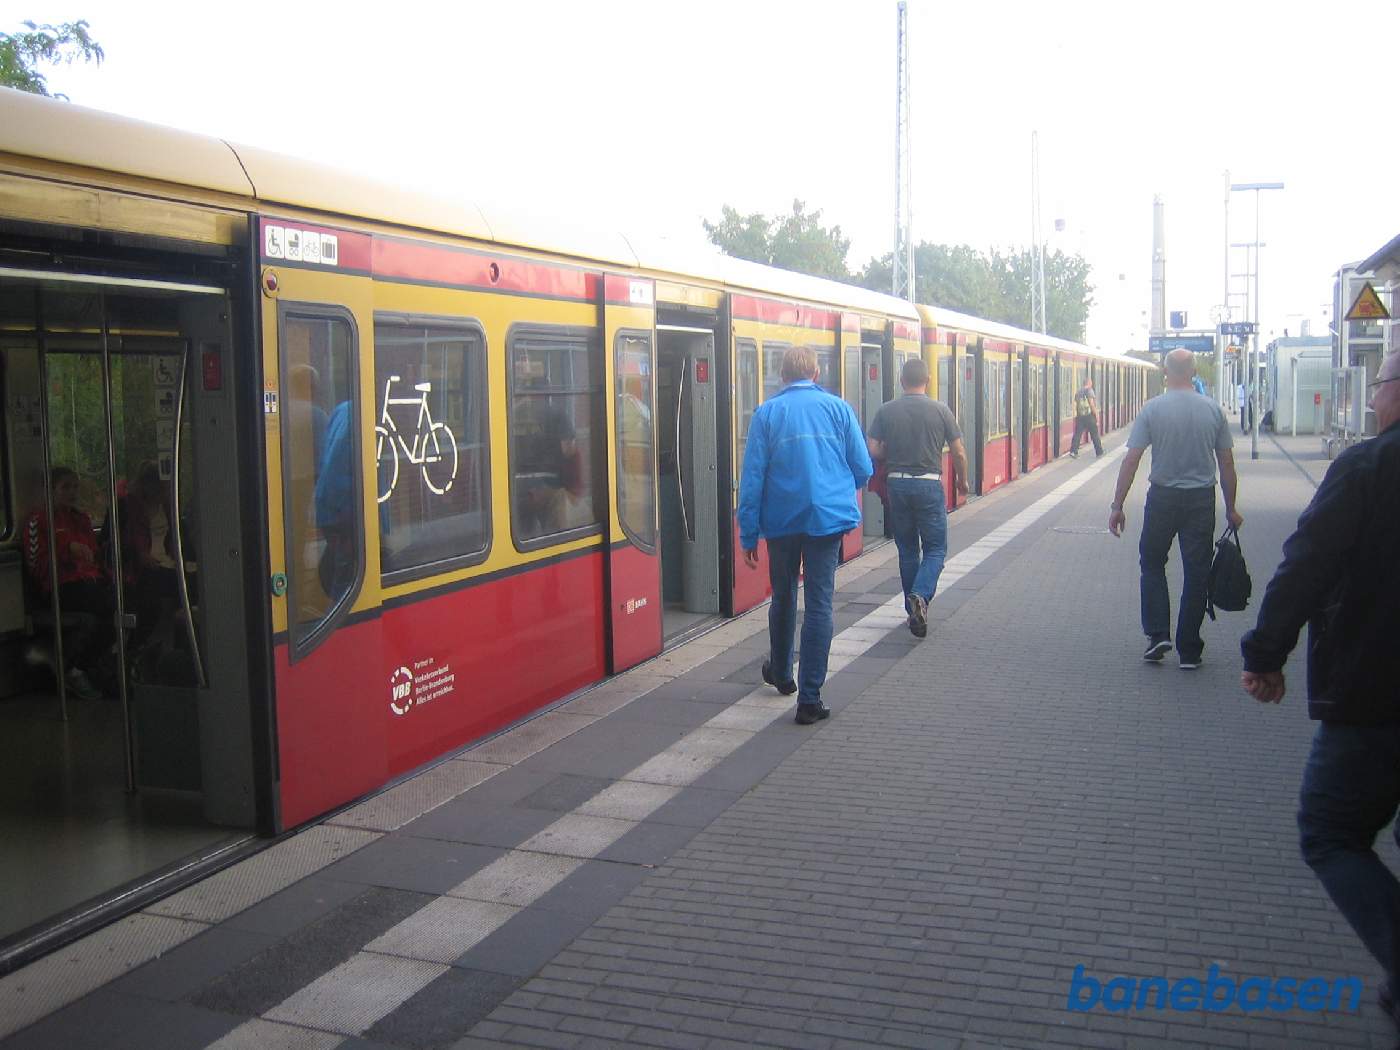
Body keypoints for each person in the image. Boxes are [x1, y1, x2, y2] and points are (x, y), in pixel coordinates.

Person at [1240, 350, 1400, 1039]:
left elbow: (1307, 563)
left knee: (1331, 831)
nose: (1371, 402)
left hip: (1375, 695)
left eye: (1381, 386)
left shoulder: (1368, 467)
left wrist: (1265, 655)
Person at [739, 345, 871, 725]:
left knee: (783, 596)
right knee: (819, 605)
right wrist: (834, 484)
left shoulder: (767, 414)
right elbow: (862, 468)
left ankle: (782, 673)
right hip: (826, 522)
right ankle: (810, 698)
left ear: (782, 376)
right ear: (816, 374)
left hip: (781, 523)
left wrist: (749, 534)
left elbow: (752, 480)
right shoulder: (839, 409)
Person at [1107, 348, 1243, 668]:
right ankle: (1190, 649)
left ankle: (1158, 635)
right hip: (1201, 500)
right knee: (1197, 573)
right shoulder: (1213, 410)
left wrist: (1117, 504)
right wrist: (1232, 508)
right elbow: (1227, 463)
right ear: (1193, 371)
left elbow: (1132, 458)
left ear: (1165, 373)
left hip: (1163, 498)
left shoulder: (1152, 409)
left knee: (1152, 562)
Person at [866, 357, 969, 638]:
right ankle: (920, 597)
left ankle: (912, 608)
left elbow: (873, 449)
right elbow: (959, 452)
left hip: (897, 484)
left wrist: (893, 451)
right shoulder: (941, 410)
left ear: (902, 380)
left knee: (908, 549)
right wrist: (962, 481)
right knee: (935, 548)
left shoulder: (887, 410)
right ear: (928, 380)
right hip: (928, 485)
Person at [22, 466, 110, 699]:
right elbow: (36, 565)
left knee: (125, 604)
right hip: (61, 586)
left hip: (89, 582)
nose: (72, 492)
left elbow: (94, 555)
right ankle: (74, 671)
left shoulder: (81, 520)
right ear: (51, 490)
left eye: (75, 487)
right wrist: (66, 552)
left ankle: (85, 667)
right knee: (108, 606)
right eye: (65, 487)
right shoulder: (39, 520)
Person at [1069, 375, 1103, 458]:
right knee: (1094, 434)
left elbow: (1076, 404)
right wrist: (1096, 415)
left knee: (1077, 434)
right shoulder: (1090, 391)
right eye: (1091, 382)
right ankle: (1099, 451)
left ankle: (1073, 451)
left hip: (1080, 416)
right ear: (1089, 383)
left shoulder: (1078, 392)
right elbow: (1091, 404)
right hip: (1089, 416)